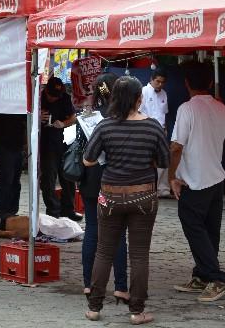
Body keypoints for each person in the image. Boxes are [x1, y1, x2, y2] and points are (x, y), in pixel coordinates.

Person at [82, 76, 169, 325]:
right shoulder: (152, 127)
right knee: (139, 254)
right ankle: (137, 311)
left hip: (110, 195)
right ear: (139, 99)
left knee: (104, 250)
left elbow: (88, 159)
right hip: (143, 195)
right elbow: (164, 162)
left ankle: (94, 308)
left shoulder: (105, 126)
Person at [169, 61, 225, 302]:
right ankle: (202, 275)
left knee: (195, 228)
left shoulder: (186, 109)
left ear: (187, 83)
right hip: (215, 177)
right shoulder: (220, 107)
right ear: (210, 82)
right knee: (210, 230)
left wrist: (171, 177)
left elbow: (176, 146)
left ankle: (216, 277)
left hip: (194, 181)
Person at [77, 73, 129, 304]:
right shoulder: (125, 117)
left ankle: (89, 284)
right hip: (116, 180)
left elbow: (78, 150)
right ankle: (120, 286)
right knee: (117, 235)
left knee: (92, 231)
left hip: (91, 180)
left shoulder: (86, 117)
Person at [40, 77, 81, 221]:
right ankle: (53, 210)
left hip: (64, 143)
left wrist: (63, 123)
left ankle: (68, 210)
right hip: (46, 144)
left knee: (68, 177)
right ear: (46, 91)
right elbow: (26, 116)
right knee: (48, 180)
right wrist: (37, 117)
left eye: (56, 96)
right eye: (51, 95)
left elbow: (73, 117)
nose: (53, 99)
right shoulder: (38, 98)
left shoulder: (65, 98)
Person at [139, 68, 170, 198]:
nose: (160, 84)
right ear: (151, 80)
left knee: (163, 157)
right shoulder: (143, 92)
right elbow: (138, 111)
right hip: (147, 128)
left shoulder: (164, 93)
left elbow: (163, 113)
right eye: (158, 81)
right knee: (148, 159)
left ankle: (163, 190)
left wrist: (165, 128)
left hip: (161, 129)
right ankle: (148, 189)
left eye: (162, 82)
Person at [0, 114, 26, 215]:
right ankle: (1, 211)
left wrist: (26, 145)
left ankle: (12, 210)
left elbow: (26, 123)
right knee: (6, 179)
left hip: (18, 146)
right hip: (3, 145)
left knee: (16, 181)